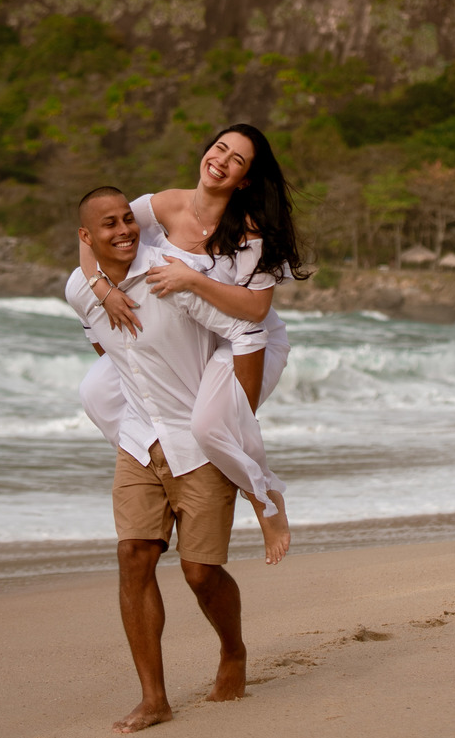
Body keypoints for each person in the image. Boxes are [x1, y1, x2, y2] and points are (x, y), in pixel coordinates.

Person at [69, 186, 266, 733]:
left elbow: (247, 329)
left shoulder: (171, 275)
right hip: (138, 439)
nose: (123, 231)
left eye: (127, 221)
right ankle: (153, 698)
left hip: (196, 440)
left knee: (201, 573)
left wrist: (237, 418)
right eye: (107, 226)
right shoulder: (80, 290)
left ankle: (232, 649)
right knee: (133, 555)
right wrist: (104, 294)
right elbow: (99, 342)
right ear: (87, 238)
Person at [85, 125, 306, 552]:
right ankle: (157, 459)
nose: (221, 160)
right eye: (220, 148)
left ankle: (263, 497)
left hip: (244, 340)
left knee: (211, 426)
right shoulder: (166, 203)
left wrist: (191, 279)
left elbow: (255, 310)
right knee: (94, 390)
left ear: (243, 180)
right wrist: (101, 290)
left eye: (236, 160)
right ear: (207, 150)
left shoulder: (248, 229)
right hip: (188, 342)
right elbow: (96, 233)